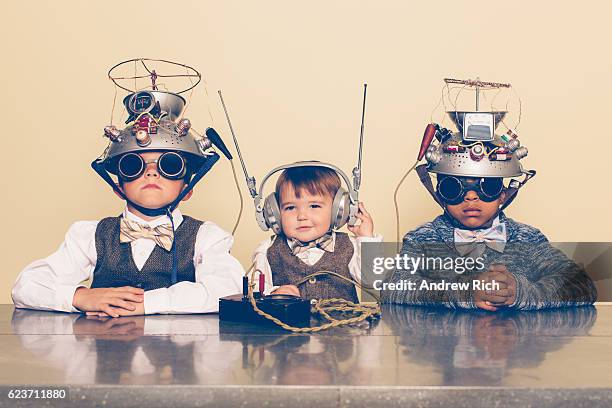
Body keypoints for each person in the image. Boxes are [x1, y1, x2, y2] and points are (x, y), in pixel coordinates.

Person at [12, 89, 243, 317]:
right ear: (118, 188)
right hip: (105, 350)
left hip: (177, 352)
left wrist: (145, 303)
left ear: (187, 190)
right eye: (134, 166)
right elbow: (26, 286)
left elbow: (229, 289)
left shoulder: (206, 237)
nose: (151, 173)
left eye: (169, 166)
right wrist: (79, 296)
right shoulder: (91, 235)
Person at [253, 165, 381, 302]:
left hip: (345, 322)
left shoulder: (350, 245)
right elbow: (252, 289)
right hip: (290, 323)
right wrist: (274, 292)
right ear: (275, 215)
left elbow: (372, 280)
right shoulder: (268, 249)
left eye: (314, 206)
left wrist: (366, 238)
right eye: (290, 207)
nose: (302, 216)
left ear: (338, 211)